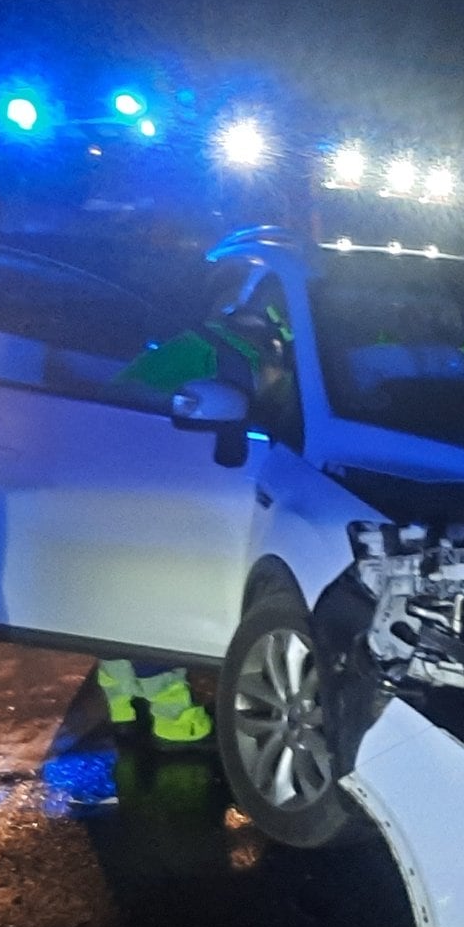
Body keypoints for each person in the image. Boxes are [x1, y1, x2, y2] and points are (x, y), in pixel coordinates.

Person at [92, 281, 299, 746]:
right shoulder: (234, 360)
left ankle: (121, 700)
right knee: (160, 592)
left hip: (122, 472)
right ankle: (174, 718)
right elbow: (248, 427)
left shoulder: (196, 344)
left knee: (127, 588)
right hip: (165, 483)